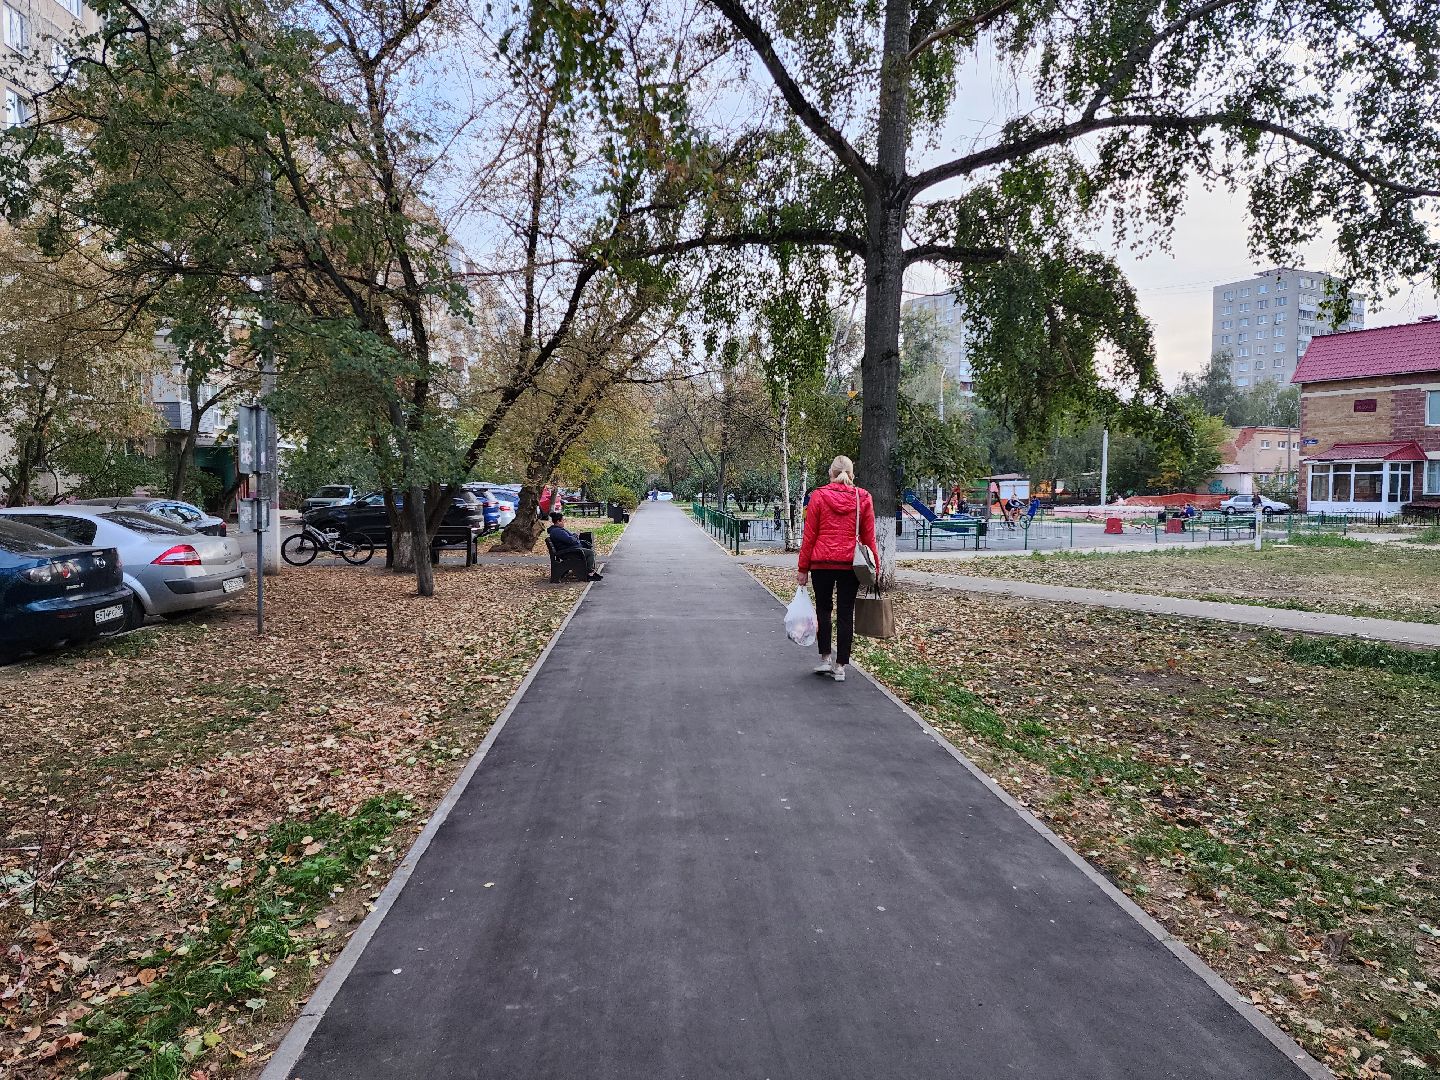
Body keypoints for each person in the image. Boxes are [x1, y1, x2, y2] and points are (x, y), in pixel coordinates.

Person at [796, 456, 877, 684]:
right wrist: (875, 567)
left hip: (821, 563)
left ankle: (825, 658)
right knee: (844, 613)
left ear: (830, 472)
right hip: (851, 565)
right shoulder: (863, 498)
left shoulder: (818, 496)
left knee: (823, 609)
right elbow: (869, 537)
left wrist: (803, 568)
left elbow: (809, 535)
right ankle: (840, 667)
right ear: (852, 474)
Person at [547, 511, 602, 581]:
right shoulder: (557, 532)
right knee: (590, 553)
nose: (564, 522)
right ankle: (589, 573)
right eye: (563, 520)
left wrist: (574, 537)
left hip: (569, 550)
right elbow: (571, 540)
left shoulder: (558, 530)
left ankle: (590, 571)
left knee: (588, 549)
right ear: (558, 521)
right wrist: (575, 537)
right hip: (568, 552)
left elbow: (571, 538)